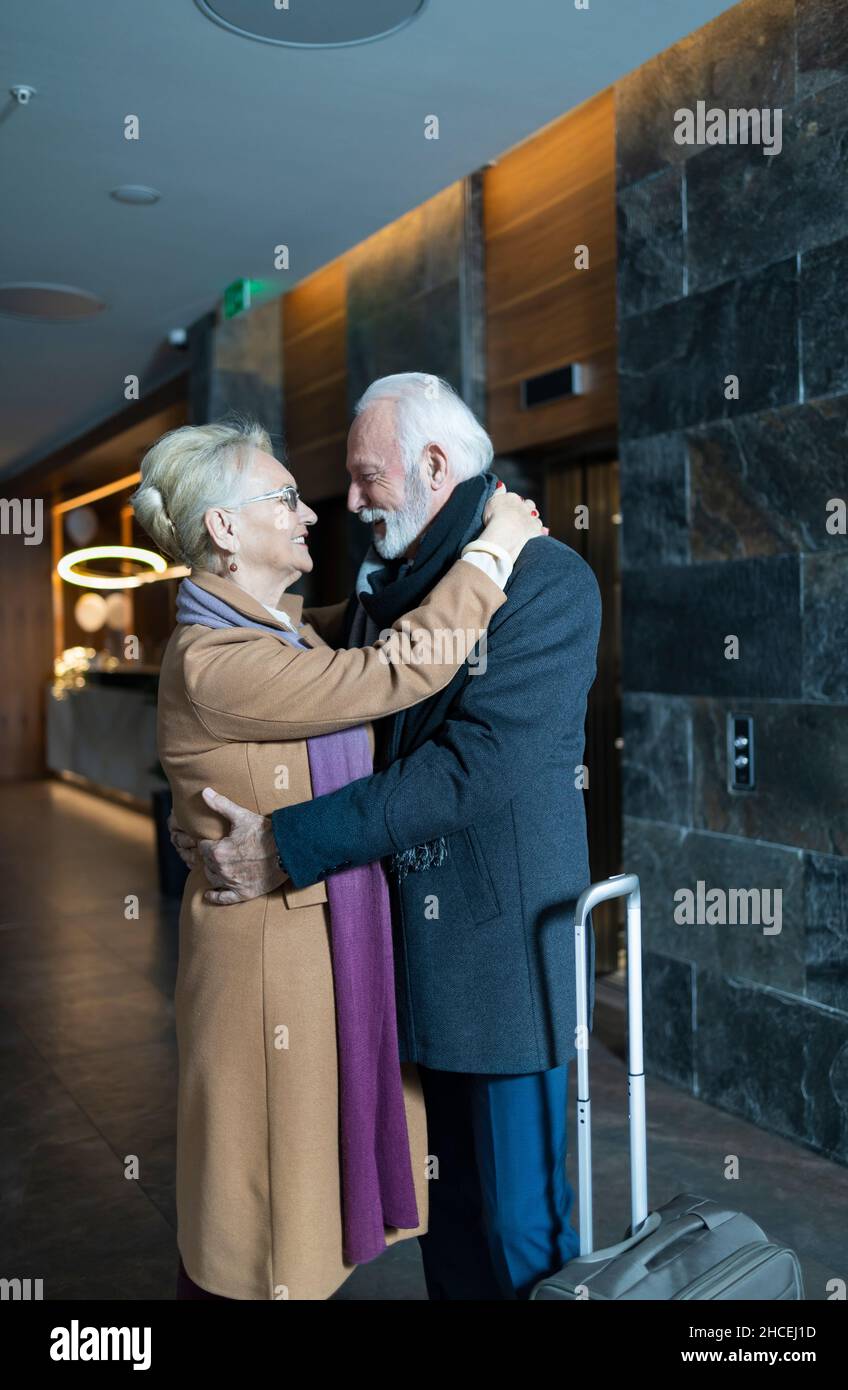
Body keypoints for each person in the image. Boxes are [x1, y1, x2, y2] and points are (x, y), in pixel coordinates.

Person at [174, 375, 603, 1301]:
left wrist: (290, 842)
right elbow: (339, 666)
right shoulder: (411, 580)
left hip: (497, 972)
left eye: (366, 479)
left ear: (434, 466)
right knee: (445, 1229)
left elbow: (471, 771)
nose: (350, 503)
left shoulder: (545, 579)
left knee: (518, 1232)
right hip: (400, 965)